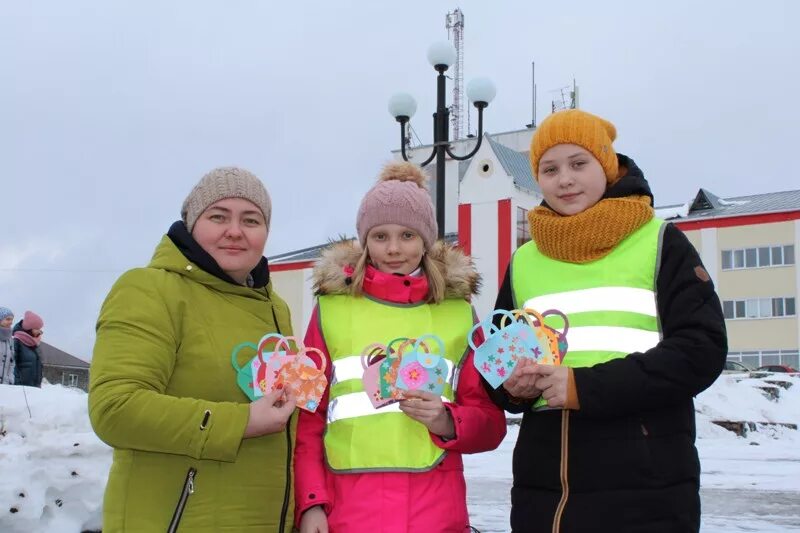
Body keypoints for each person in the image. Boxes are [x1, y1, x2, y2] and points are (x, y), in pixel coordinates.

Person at [493, 109, 727, 532]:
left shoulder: (659, 241)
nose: (564, 179)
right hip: (543, 491)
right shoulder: (525, 260)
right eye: (550, 169)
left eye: (578, 164)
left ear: (606, 165)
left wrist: (584, 386)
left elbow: (701, 350)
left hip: (644, 488)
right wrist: (512, 388)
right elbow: (496, 359)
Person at [294, 161, 507, 533]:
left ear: (426, 239)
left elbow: (490, 421)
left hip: (435, 507)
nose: (393, 249)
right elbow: (307, 416)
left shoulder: (458, 313)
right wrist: (311, 503)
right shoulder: (329, 310)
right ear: (365, 241)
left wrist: (448, 421)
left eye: (407, 235)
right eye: (380, 236)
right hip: (348, 507)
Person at [89, 167, 298, 532]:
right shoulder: (150, 289)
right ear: (190, 223)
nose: (235, 230)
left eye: (251, 220)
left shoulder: (274, 307)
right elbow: (115, 409)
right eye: (218, 216)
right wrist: (242, 422)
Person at [12, 310, 44, 387]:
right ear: (29, 328)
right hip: (21, 388)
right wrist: (17, 382)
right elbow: (12, 364)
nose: (39, 332)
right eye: (37, 329)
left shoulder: (34, 344)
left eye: (40, 329)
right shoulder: (16, 341)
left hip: (34, 388)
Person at [1, 307, 15, 385]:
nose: (11, 322)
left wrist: (10, 378)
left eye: (12, 320)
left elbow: (12, 361)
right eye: (7, 319)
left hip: (5, 385)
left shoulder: (10, 339)